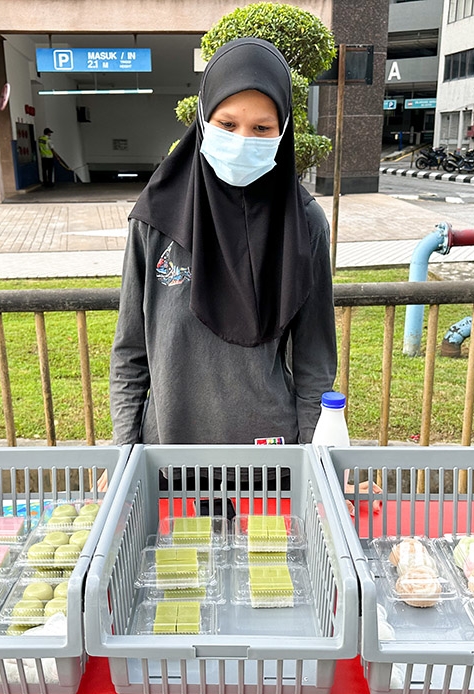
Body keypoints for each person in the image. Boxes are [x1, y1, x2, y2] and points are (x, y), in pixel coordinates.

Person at [109, 37, 337, 452]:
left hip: (270, 461)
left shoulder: (304, 224)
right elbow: (130, 351)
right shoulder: (156, 218)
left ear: (282, 131)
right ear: (202, 118)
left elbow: (314, 362)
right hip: (168, 460)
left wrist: (320, 460)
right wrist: (125, 453)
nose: (242, 140)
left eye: (262, 128)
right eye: (227, 125)